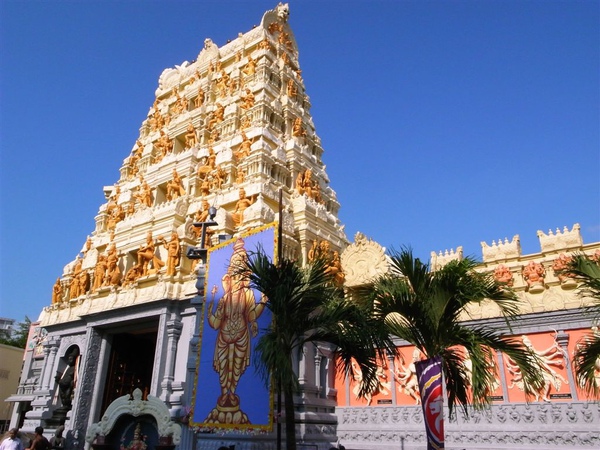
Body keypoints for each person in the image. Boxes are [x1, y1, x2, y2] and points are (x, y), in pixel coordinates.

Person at [207, 238, 266, 409]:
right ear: (229, 278)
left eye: (241, 275)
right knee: (224, 367)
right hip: (223, 338)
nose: (238, 279)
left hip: (241, 336)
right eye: (234, 276)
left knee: (237, 367)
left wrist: (262, 302)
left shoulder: (247, 294)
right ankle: (224, 393)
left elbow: (251, 314)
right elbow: (216, 323)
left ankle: (231, 393)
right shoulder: (224, 298)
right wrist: (210, 309)